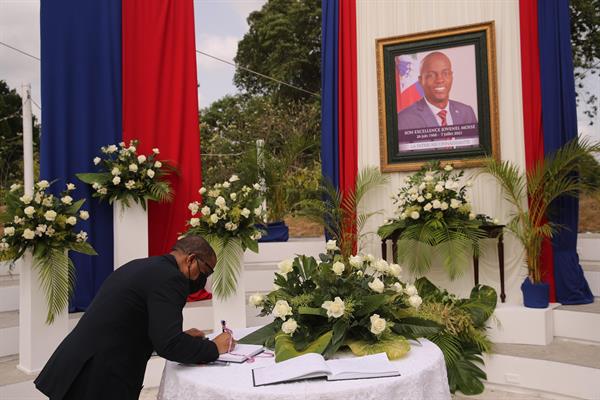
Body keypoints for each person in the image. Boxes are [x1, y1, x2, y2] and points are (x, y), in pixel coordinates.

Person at [34, 235, 234, 400]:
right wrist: (214, 347)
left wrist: (182, 337)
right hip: (97, 378)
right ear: (190, 259)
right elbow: (169, 345)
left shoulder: (146, 266)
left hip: (79, 366)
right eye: (205, 271)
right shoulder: (171, 279)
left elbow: (131, 322)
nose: (204, 279)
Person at [397, 51, 478, 132]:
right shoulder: (404, 119)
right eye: (431, 75)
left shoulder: (467, 112)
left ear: (451, 77)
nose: (440, 80)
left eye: (445, 73)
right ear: (421, 81)